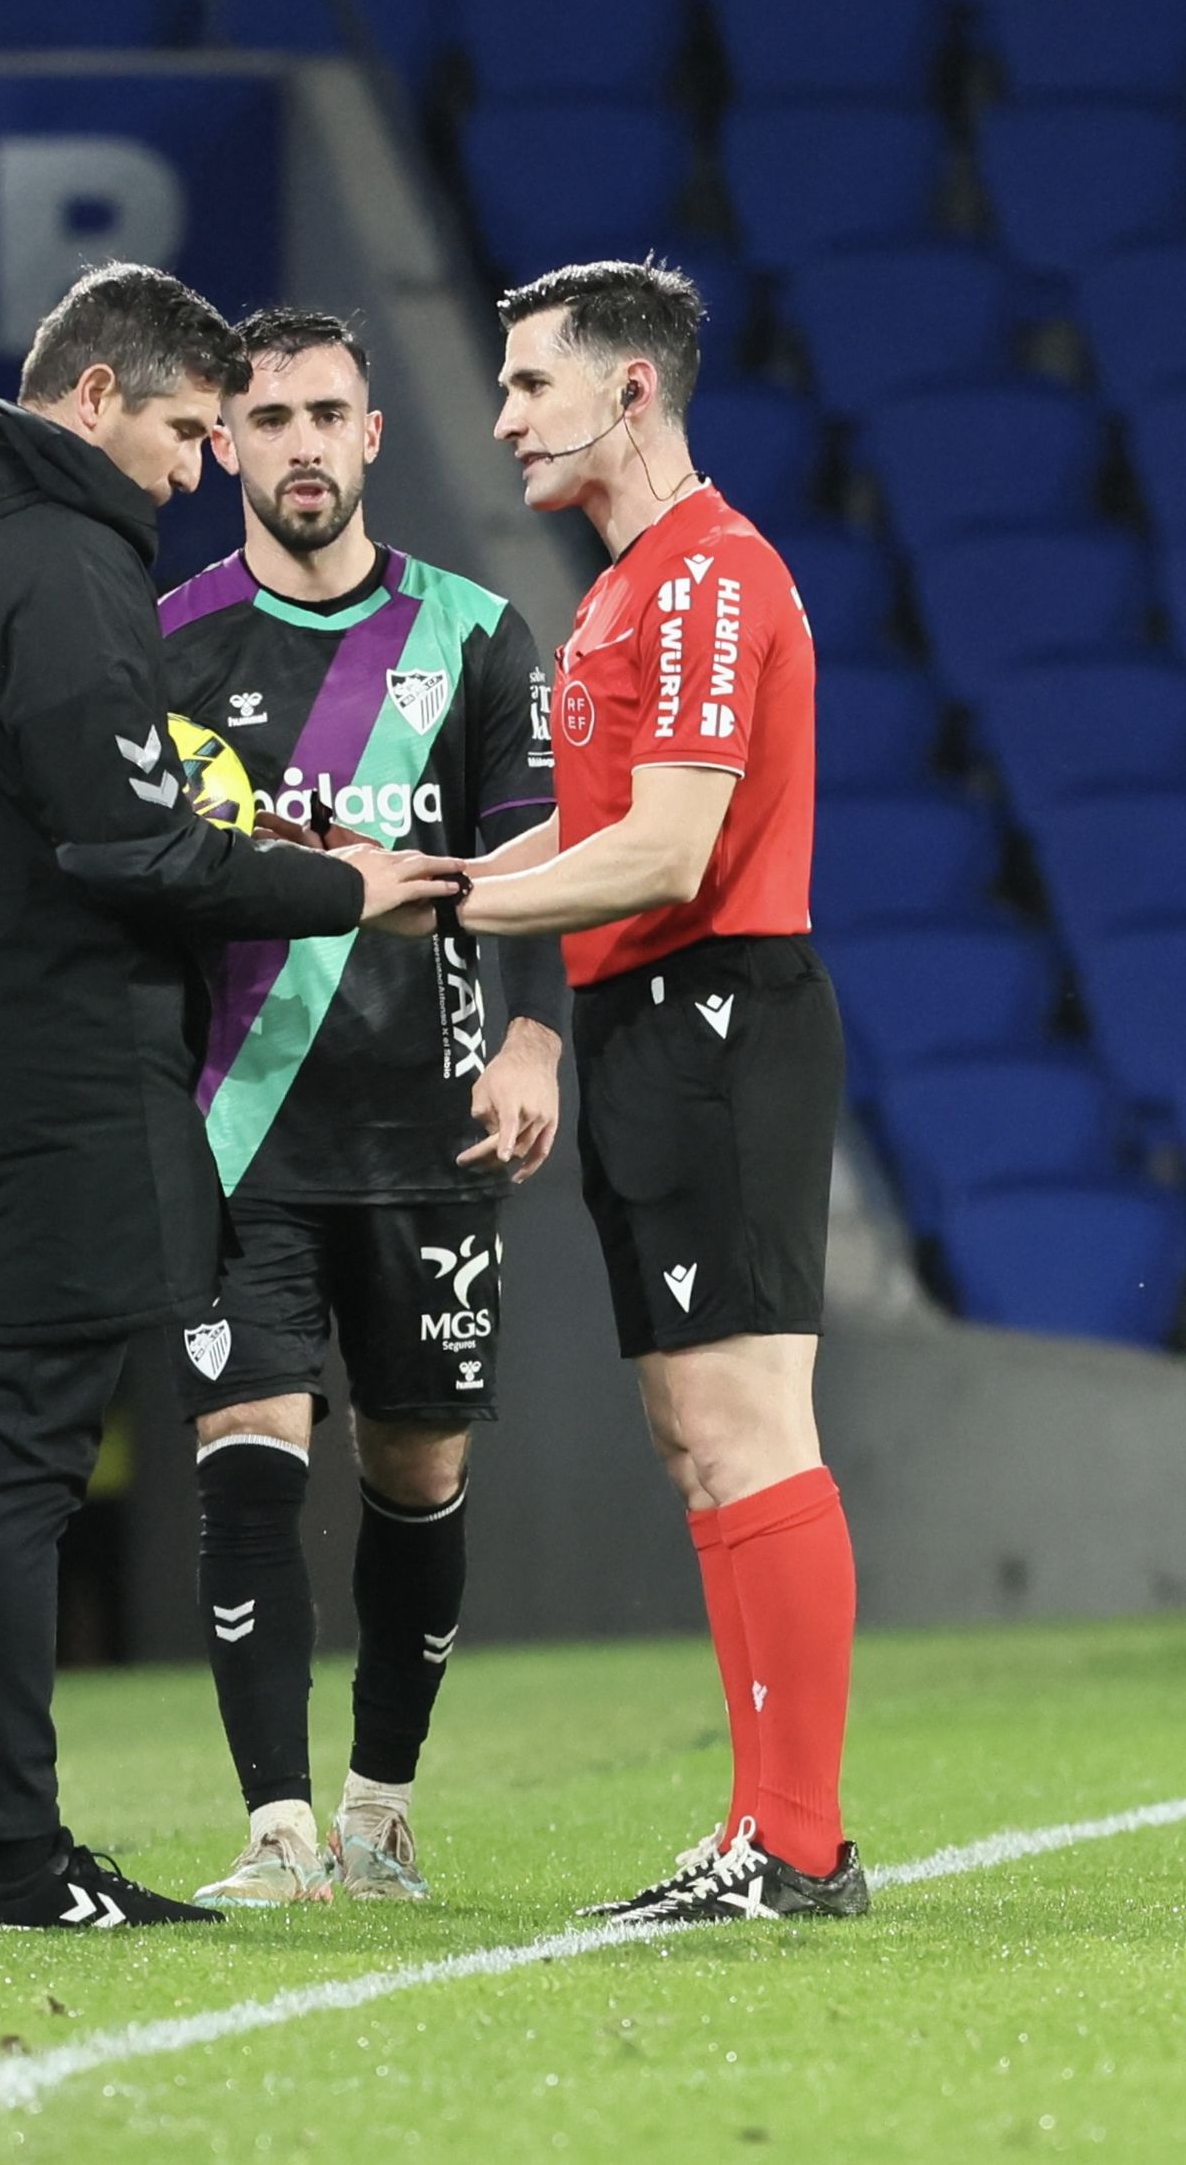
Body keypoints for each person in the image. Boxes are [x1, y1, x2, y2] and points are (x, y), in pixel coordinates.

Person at [0, 263, 461, 1936]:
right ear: (95, 397)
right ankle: (9, 1857)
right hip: (57, 1052)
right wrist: (344, 886)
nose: (190, 473)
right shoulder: (60, 549)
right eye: (183, 431)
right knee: (24, 1447)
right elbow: (124, 839)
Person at [460, 256, 865, 1925]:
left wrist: (444, 903)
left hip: (718, 1017)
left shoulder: (705, 577)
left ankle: (800, 1839)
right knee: (697, 1435)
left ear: (629, 390)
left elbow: (674, 843)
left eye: (529, 386)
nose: (502, 419)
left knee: (750, 1424)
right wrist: (424, 871)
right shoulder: (625, 588)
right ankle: (760, 1829)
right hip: (650, 1021)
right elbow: (592, 830)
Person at [162, 308, 565, 1907]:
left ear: (376, 435)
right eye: (270, 420)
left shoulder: (475, 635)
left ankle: (380, 1805)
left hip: (428, 1131)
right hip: (238, 1129)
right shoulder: (170, 641)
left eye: (330, 413)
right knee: (245, 1451)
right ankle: (273, 1832)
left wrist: (534, 1045)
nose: (303, 446)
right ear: (229, 446)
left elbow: (543, 876)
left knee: (413, 1470)